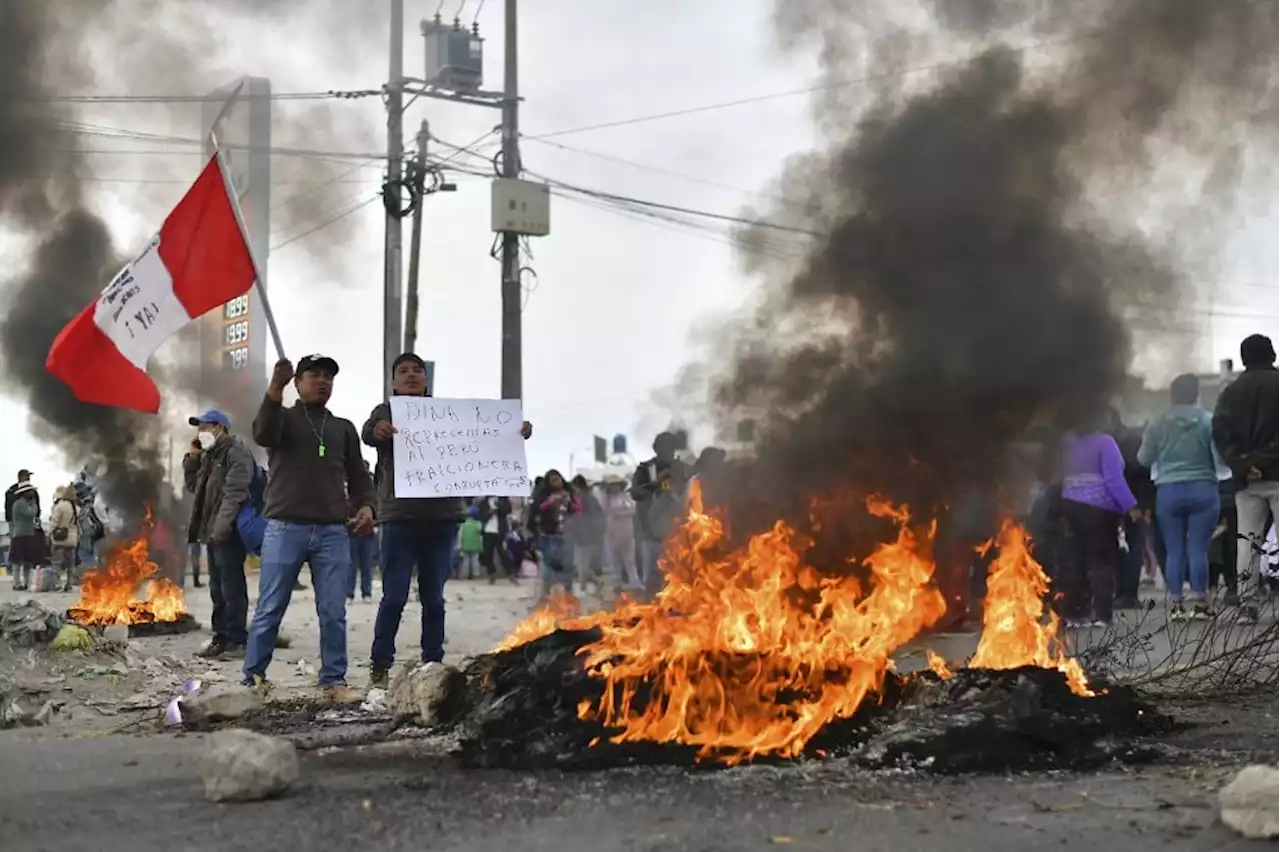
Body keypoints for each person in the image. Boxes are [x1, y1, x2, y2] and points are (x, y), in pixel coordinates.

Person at [362, 352, 532, 686]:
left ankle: (432, 664)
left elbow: (490, 438)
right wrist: (378, 430)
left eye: (417, 371)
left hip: (441, 520)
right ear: (393, 382)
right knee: (394, 596)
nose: (411, 375)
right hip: (398, 519)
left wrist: (516, 431)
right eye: (403, 371)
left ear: (426, 380)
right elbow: (368, 433)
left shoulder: (448, 415)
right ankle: (380, 665)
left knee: (434, 599)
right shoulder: (386, 412)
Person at [244, 355, 375, 697]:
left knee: (333, 611)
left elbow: (360, 476)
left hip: (333, 531)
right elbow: (262, 432)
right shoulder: (283, 419)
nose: (322, 382)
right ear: (298, 383)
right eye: (314, 375)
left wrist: (366, 506)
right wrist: (275, 387)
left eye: (328, 377)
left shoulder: (342, 428)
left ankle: (334, 678)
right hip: (285, 528)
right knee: (270, 608)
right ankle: (253, 677)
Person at [1138, 374, 1225, 620]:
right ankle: (1200, 603)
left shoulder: (1157, 422)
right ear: (1196, 393)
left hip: (1169, 490)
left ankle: (1176, 604)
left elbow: (1144, 458)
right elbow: (1219, 459)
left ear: (1171, 394)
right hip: (1203, 488)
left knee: (1174, 550)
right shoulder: (1208, 421)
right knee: (1198, 549)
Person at [1213, 333, 1280, 621]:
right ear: (1273, 355)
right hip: (1277, 474)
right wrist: (1263, 462)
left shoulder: (1230, 392)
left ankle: (1248, 605)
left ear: (1243, 359)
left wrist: (1242, 464)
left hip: (1246, 482)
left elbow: (1220, 432)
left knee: (1247, 540)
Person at [183, 409, 257, 660]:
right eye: (199, 428)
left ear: (220, 428)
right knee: (217, 588)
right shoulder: (210, 456)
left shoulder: (236, 452)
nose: (201, 432)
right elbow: (195, 487)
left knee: (231, 586)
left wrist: (222, 528)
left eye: (205, 427)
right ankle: (221, 637)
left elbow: (234, 493)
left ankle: (237, 640)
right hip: (213, 531)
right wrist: (192, 459)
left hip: (229, 531)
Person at [1059, 409, 1139, 628]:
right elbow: (1114, 479)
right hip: (1099, 510)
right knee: (1101, 561)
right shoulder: (1105, 442)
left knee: (1074, 560)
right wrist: (1130, 505)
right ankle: (1102, 613)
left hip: (1069, 505)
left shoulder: (1067, 442)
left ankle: (1075, 613)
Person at [630, 432, 693, 596]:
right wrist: (655, 486)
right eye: (663, 447)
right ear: (655, 449)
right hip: (650, 531)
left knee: (679, 572)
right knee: (653, 573)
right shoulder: (644, 469)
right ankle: (652, 609)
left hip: (679, 531)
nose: (667, 451)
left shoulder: (683, 469)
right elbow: (635, 492)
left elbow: (693, 492)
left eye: (670, 447)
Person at [531, 469, 580, 598]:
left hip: (567, 535)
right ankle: (546, 595)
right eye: (553, 481)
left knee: (567, 566)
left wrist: (568, 501)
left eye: (558, 479)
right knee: (548, 567)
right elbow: (537, 509)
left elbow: (578, 508)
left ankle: (569, 595)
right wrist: (550, 501)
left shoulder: (569, 493)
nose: (557, 482)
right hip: (549, 535)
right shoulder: (544, 496)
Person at [567, 475, 606, 593]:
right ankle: (596, 583)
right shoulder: (580, 498)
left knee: (582, 564)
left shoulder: (589, 499)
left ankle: (583, 587)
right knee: (580, 563)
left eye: (575, 487)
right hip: (580, 535)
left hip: (588, 536)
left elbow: (594, 517)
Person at [601, 473, 639, 590]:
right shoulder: (606, 499)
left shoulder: (626, 496)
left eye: (616, 485)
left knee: (630, 559)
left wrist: (619, 514)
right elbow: (605, 512)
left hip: (627, 531)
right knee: (615, 559)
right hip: (612, 532)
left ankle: (634, 582)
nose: (614, 487)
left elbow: (633, 510)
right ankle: (618, 582)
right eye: (612, 485)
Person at [347, 465, 378, 602]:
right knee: (351, 565)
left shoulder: (372, 492)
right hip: (352, 531)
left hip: (368, 533)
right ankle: (350, 593)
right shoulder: (347, 490)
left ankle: (367, 593)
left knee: (366, 565)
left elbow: (377, 509)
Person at [476, 496, 517, 584]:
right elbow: (481, 516)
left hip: (500, 530)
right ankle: (491, 574)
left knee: (503, 553)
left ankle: (510, 574)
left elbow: (508, 510)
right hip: (488, 530)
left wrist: (499, 506)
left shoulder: (503, 499)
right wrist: (490, 512)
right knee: (488, 554)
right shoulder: (484, 502)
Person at [8, 482, 41, 591]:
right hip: (21, 535)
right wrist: (34, 504)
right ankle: (17, 583)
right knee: (18, 561)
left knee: (27, 561)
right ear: (24, 493)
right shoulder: (20, 504)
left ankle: (25, 583)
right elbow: (31, 513)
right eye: (30, 491)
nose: (32, 493)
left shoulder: (21, 503)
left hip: (25, 534)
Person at [47, 485, 79, 592]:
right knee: (70, 564)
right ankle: (68, 585)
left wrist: (48, 534)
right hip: (73, 540)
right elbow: (79, 526)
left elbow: (54, 522)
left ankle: (57, 584)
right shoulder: (77, 509)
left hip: (60, 539)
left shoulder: (59, 507)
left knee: (57, 563)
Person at [458, 513, 483, 581]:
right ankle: (476, 575)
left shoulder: (463, 524)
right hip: (475, 545)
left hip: (465, 545)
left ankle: (465, 575)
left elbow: (460, 535)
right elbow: (480, 536)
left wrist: (460, 545)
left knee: (466, 561)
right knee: (475, 561)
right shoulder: (478, 524)